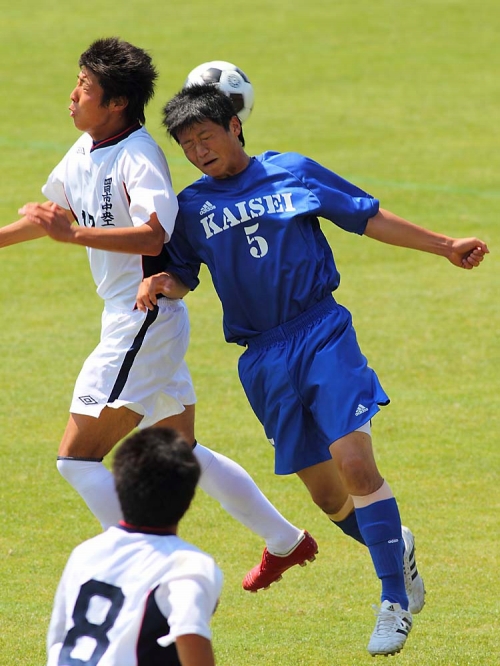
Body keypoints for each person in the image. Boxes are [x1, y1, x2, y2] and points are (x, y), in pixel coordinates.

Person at [135, 83, 489, 657]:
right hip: (262, 359)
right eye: (187, 145)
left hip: (322, 332)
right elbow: (183, 274)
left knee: (355, 463)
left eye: (206, 137)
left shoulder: (291, 172)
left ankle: (394, 600)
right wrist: (161, 283)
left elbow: (366, 216)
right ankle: (394, 544)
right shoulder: (192, 208)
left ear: (235, 126)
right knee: (329, 499)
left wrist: (445, 245)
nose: (199, 152)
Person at [0, 38, 318, 588]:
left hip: (142, 317)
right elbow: (53, 215)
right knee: (183, 448)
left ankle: (155, 570)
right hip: (134, 317)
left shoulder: (138, 155)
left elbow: (154, 233)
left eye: (84, 87)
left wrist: (73, 235)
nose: (72, 95)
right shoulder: (86, 148)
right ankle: (286, 541)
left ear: (117, 102)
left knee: (76, 460)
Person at [47, 426, 222, 666]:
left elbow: (57, 642)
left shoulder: (85, 553)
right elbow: (189, 632)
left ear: (118, 487)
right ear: (189, 498)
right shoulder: (188, 565)